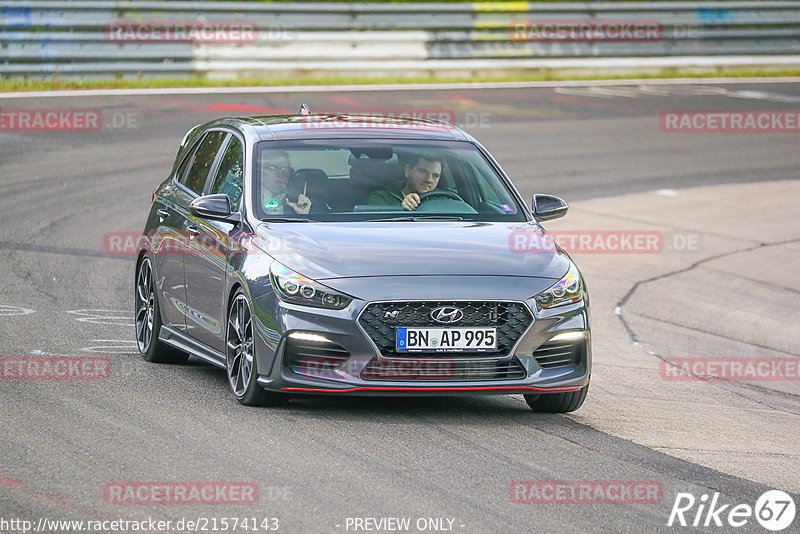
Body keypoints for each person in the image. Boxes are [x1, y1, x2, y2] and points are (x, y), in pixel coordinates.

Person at [367, 152, 443, 211]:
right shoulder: (382, 198)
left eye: (435, 175)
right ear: (408, 171)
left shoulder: (444, 200)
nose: (428, 180)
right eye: (423, 172)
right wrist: (402, 208)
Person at [261, 151, 312, 215]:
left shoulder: (296, 202)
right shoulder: (250, 199)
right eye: (272, 168)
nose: (280, 174)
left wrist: (302, 215)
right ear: (261, 172)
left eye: (284, 169)